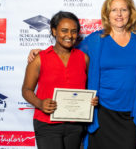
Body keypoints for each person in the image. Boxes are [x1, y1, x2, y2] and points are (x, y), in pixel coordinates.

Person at [27, 0, 136, 149]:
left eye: (123, 9)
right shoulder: (96, 40)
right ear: (107, 14)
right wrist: (41, 52)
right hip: (102, 109)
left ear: (130, 13)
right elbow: (68, 50)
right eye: (114, 10)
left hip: (130, 111)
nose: (119, 14)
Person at [22, 11, 98, 149]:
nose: (69, 35)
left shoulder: (84, 58)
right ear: (54, 31)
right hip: (47, 124)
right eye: (64, 31)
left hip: (75, 124)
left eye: (74, 31)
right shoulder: (39, 58)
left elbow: (87, 89)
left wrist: (91, 100)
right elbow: (26, 90)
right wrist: (39, 103)